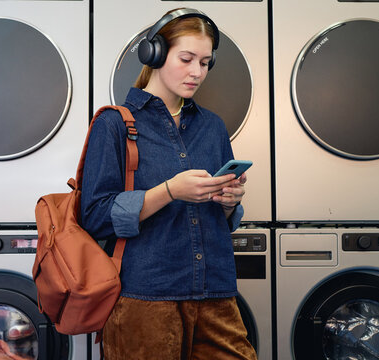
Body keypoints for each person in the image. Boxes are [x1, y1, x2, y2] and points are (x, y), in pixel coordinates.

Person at [81, 8, 256, 360]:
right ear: (155, 54)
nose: (197, 72)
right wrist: (169, 191)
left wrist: (228, 201)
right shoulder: (114, 125)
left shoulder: (213, 127)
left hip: (216, 294)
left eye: (205, 62)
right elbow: (95, 217)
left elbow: (224, 219)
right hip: (144, 298)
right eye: (187, 58)